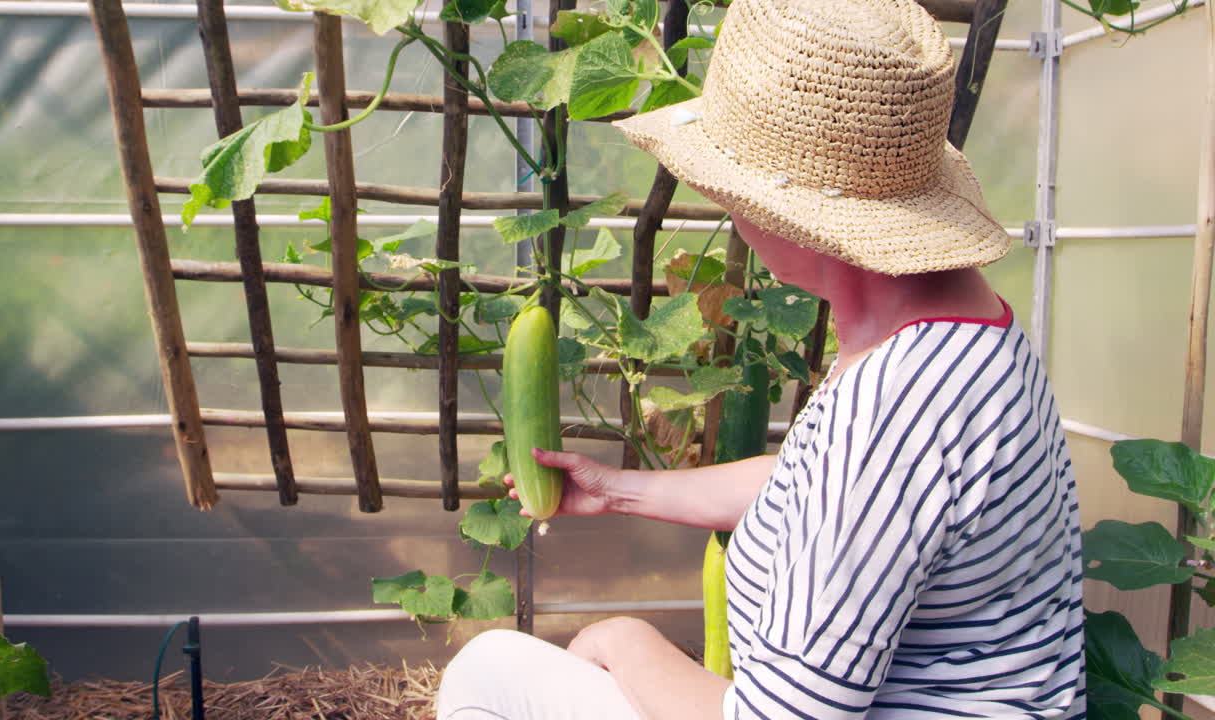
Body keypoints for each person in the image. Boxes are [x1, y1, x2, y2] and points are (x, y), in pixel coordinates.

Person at [436, 0, 1086, 715]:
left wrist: (624, 638)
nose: (726, 208)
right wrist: (622, 491)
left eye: (729, 190)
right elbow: (825, 486)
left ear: (795, 217)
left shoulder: (896, 408)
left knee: (486, 671)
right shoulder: (958, 334)